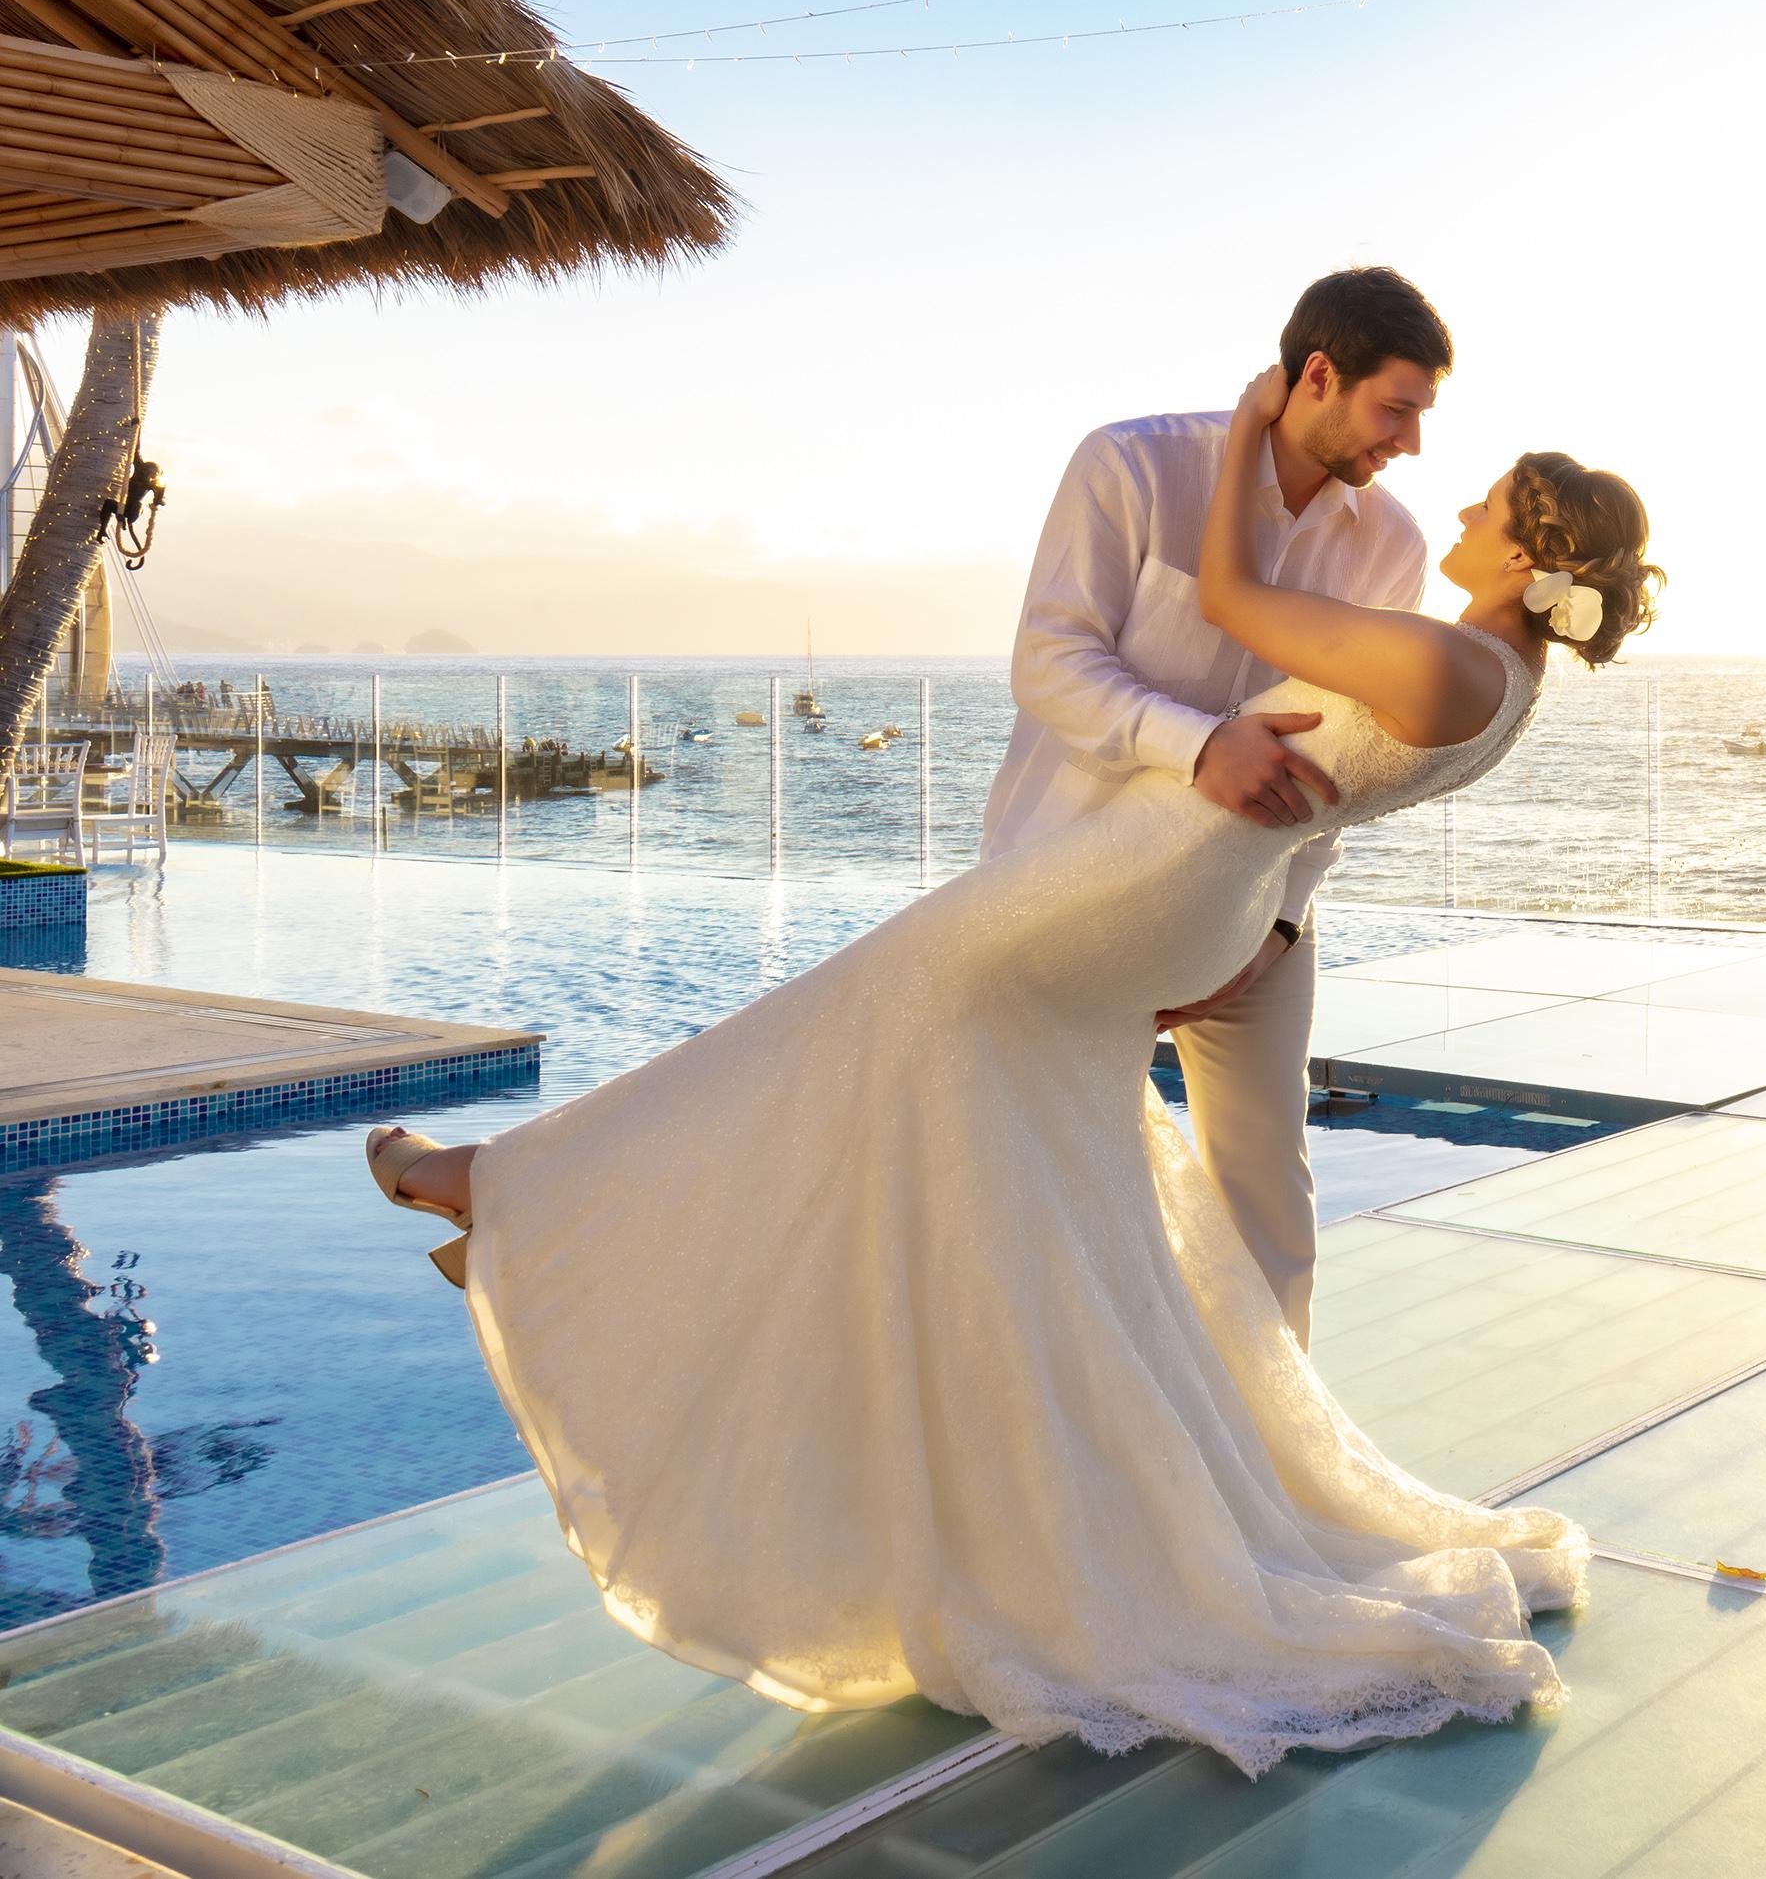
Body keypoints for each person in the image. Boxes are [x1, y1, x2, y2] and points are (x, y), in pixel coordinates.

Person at [358, 357, 1660, 1778]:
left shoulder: (1449, 656)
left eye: (1486, 503)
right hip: (1171, 873)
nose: (1450, 494)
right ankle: (562, 1224)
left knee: (866, 1007)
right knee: (919, 1093)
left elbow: (1232, 602)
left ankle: (525, 1198)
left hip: (1161, 873)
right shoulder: (1495, 670)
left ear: (1526, 554)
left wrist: (1237, 436)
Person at [982, 266, 1453, 1344]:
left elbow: (1354, 761)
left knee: (1267, 1196)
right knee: (1052, 1181)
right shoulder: (1132, 465)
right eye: (1398, 410)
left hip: (1260, 911)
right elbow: (1049, 661)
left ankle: (1277, 1471)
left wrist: (1277, 928)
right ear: (1318, 375)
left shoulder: (1393, 548)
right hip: (1070, 888)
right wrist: (1201, 747)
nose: (1411, 444)